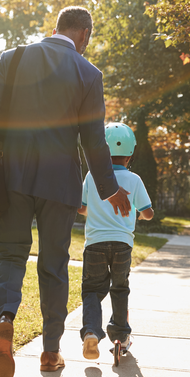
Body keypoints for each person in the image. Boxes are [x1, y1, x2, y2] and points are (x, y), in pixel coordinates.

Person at [0, 6, 131, 377]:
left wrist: (15, 140)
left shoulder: (13, 59)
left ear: (57, 28)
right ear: (84, 34)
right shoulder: (88, 73)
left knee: (10, 253)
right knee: (53, 265)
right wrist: (111, 190)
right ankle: (50, 352)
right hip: (60, 182)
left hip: (12, 175)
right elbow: (95, 141)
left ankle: (5, 317)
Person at [78, 123, 154, 360]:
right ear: (130, 154)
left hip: (95, 244)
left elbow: (81, 207)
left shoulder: (92, 176)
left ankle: (91, 331)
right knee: (119, 289)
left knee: (92, 290)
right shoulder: (135, 179)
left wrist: (94, 211)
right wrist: (137, 213)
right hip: (123, 245)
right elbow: (149, 212)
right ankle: (120, 338)